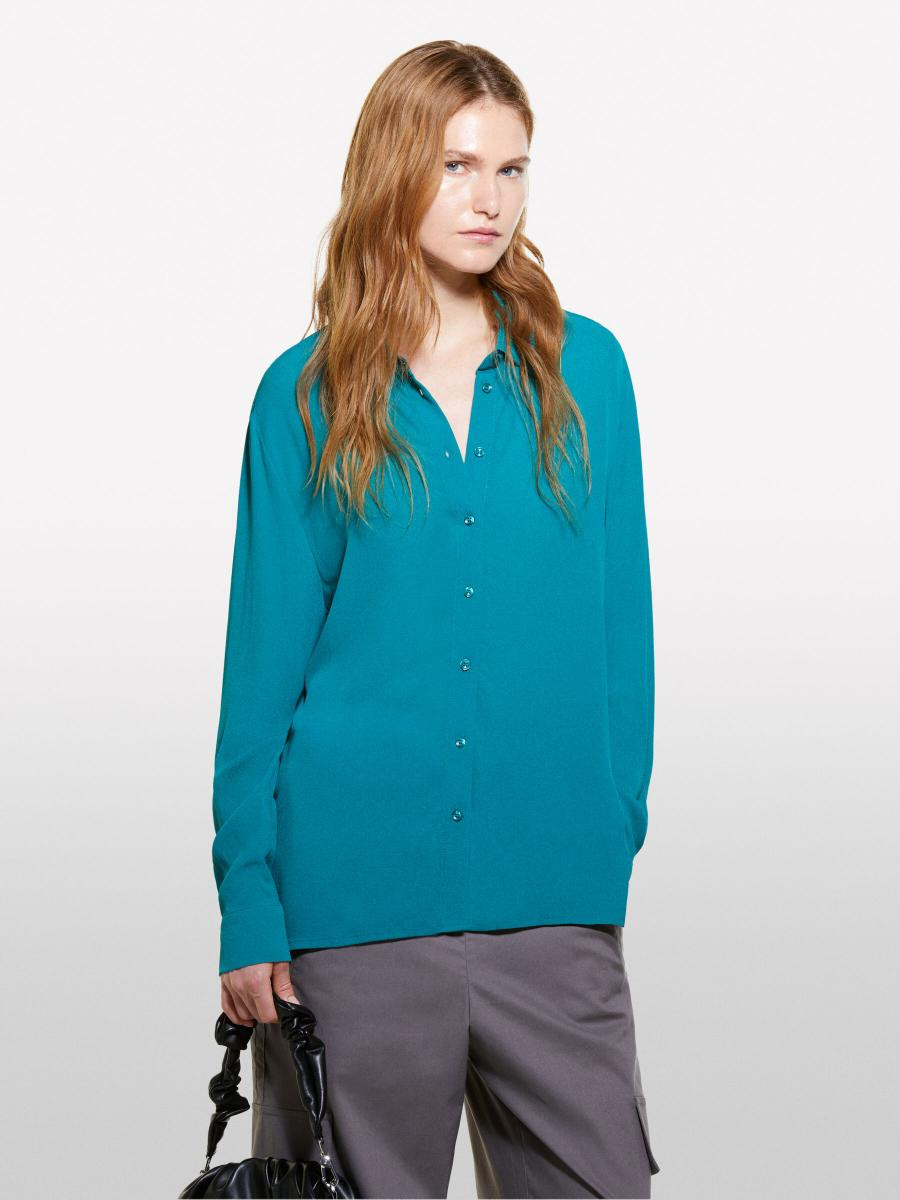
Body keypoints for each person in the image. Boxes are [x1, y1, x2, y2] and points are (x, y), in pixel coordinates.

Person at [209, 39, 660, 1200]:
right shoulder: (304, 395)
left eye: (511, 170)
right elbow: (262, 671)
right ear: (393, 170)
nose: (487, 199)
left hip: (553, 909)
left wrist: (606, 832)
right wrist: (250, 901)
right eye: (457, 166)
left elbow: (624, 641)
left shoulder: (589, 373)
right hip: (350, 917)